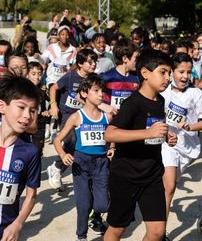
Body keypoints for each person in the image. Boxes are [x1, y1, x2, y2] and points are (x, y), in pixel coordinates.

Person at [103, 49, 177, 241]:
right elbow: (109, 133)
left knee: (157, 232)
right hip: (125, 176)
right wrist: (148, 133)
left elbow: (151, 129)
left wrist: (166, 136)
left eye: (169, 73)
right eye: (163, 72)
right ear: (145, 73)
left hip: (152, 175)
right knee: (117, 230)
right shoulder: (132, 103)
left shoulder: (160, 100)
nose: (168, 78)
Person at [54, 74, 113, 241]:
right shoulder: (76, 117)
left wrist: (113, 148)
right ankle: (81, 235)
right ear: (85, 93)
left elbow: (112, 136)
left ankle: (95, 216)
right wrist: (63, 154)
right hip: (81, 162)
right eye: (96, 91)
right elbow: (57, 139)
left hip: (101, 163)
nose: (101, 94)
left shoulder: (107, 117)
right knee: (83, 205)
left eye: (102, 91)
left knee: (102, 204)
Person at [161, 53, 202, 240]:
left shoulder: (196, 94)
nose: (185, 76)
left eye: (189, 72)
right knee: (170, 186)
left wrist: (190, 126)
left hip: (188, 148)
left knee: (167, 186)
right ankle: (161, 232)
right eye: (181, 71)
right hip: (167, 145)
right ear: (171, 71)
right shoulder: (162, 91)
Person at [47, 49, 97, 189]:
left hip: (84, 115)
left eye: (94, 61)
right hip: (67, 114)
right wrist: (53, 105)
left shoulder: (93, 78)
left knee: (81, 145)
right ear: (80, 63)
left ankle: (58, 168)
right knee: (71, 140)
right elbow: (53, 88)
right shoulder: (70, 77)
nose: (93, 64)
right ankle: (57, 168)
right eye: (90, 61)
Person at [0, 74, 41, 240]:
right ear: (2, 106)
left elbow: (31, 195)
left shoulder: (29, 152)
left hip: (5, 230)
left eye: (32, 110)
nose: (27, 116)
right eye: (21, 107)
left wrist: (18, 224)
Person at [102, 38, 139, 112]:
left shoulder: (137, 78)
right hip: (109, 121)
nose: (138, 61)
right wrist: (102, 106)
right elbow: (83, 96)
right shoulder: (106, 77)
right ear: (125, 58)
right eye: (136, 58)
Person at [27, 62, 50, 156]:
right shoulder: (22, 88)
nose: (37, 77)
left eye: (40, 74)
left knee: (38, 149)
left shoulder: (43, 89)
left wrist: (49, 111)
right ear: (27, 74)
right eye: (33, 74)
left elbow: (53, 100)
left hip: (39, 123)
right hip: (24, 123)